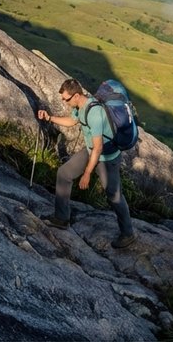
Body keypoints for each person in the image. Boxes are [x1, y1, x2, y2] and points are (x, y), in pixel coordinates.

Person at [36, 78, 137, 249]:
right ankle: (61, 218)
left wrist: (87, 174)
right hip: (91, 152)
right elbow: (72, 121)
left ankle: (128, 234)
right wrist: (49, 118)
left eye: (66, 99)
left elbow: (98, 148)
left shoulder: (94, 113)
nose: (64, 102)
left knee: (114, 195)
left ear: (76, 95)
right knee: (64, 173)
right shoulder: (80, 107)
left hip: (107, 158)